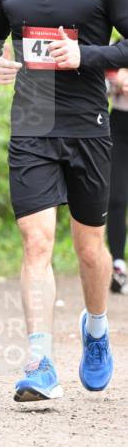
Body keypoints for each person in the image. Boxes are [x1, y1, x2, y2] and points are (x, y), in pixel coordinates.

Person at [0, 0, 128, 403]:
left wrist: (86, 56)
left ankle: (96, 329)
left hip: (87, 125)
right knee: (36, 243)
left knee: (89, 249)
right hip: (32, 123)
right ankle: (39, 361)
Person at [107, 65, 128, 294]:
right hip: (120, 123)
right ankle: (118, 265)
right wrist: (116, 78)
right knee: (116, 197)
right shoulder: (115, 49)